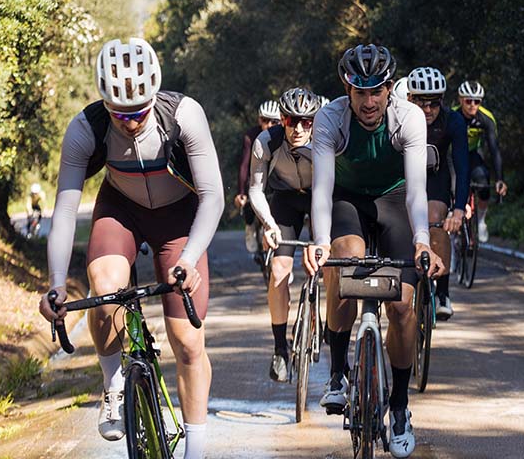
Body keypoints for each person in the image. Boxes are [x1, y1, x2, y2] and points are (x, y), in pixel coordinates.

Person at [39, 38, 225, 459]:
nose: (131, 122)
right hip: (120, 210)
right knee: (104, 289)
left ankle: (196, 447)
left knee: (188, 341)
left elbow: (213, 195)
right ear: (105, 102)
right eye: (120, 113)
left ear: (153, 94)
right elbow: (65, 209)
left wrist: (190, 259)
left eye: (139, 111)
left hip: (180, 217)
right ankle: (113, 383)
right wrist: (54, 283)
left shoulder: (183, 115)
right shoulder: (86, 128)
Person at [304, 44, 441, 459]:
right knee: (343, 263)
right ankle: (338, 374)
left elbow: (418, 190)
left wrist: (422, 240)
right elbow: (323, 189)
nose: (368, 102)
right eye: (359, 92)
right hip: (346, 200)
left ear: (388, 89)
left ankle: (399, 407)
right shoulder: (329, 118)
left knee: (402, 306)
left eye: (376, 92)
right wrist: (321, 242)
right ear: (347, 88)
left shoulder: (409, 117)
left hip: (394, 199)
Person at [248, 86, 321, 381]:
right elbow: (255, 189)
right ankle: (280, 349)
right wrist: (269, 225)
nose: (299, 128)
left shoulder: (327, 140)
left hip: (319, 200)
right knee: (279, 271)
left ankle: (325, 325)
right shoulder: (266, 142)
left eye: (307, 122)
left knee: (325, 263)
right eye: (292, 121)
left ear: (315, 121)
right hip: (284, 201)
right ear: (282, 119)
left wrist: (322, 238)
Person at [405, 67, 468, 321]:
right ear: (410, 99)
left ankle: (442, 292)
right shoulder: (399, 115)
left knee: (435, 218)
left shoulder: (453, 121)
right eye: (422, 103)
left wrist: (459, 208)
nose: (428, 110)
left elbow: (462, 167)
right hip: (404, 174)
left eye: (434, 104)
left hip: (435, 176)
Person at [453, 81, 507, 242]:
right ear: (460, 100)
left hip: (472, 154)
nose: (472, 105)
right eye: (468, 101)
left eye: (477, 101)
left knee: (483, 182)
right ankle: (453, 226)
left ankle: (481, 221)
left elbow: (494, 149)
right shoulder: (453, 115)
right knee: (453, 187)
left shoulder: (486, 118)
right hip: (453, 154)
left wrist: (500, 179)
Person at [236, 100, 282, 254]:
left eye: (274, 122)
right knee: (251, 193)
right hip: (256, 173)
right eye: (264, 120)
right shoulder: (251, 136)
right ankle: (249, 226)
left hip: (275, 175)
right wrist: (241, 193)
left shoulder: (283, 135)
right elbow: (244, 165)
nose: (268, 125)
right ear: (259, 120)